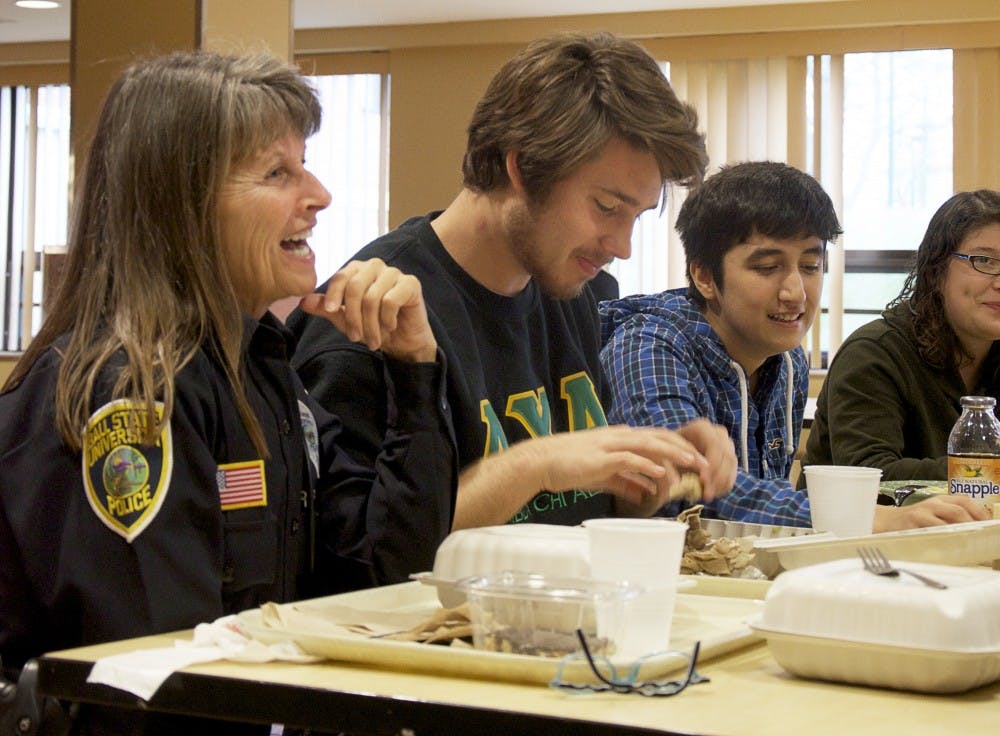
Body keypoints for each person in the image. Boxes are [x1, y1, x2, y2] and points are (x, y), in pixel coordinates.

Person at [0, 51, 454, 733]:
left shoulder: (262, 365)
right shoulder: (128, 391)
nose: (320, 194)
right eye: (279, 172)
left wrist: (415, 373)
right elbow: (157, 681)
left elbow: (382, 578)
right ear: (180, 206)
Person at [288, 31, 738, 533]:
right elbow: (365, 560)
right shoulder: (370, 315)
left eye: (635, 215)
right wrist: (534, 465)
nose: (621, 245)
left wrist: (651, 471)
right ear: (523, 167)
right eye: (606, 207)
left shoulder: (570, 292)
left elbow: (577, 512)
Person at [600, 161, 840, 527]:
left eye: (810, 266)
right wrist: (848, 518)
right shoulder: (649, 344)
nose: (795, 293)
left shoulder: (788, 359)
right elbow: (682, 489)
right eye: (767, 268)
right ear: (704, 276)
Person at [803, 189, 999, 529]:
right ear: (936, 270)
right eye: (985, 261)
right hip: (856, 555)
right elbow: (870, 474)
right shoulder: (874, 353)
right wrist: (987, 471)